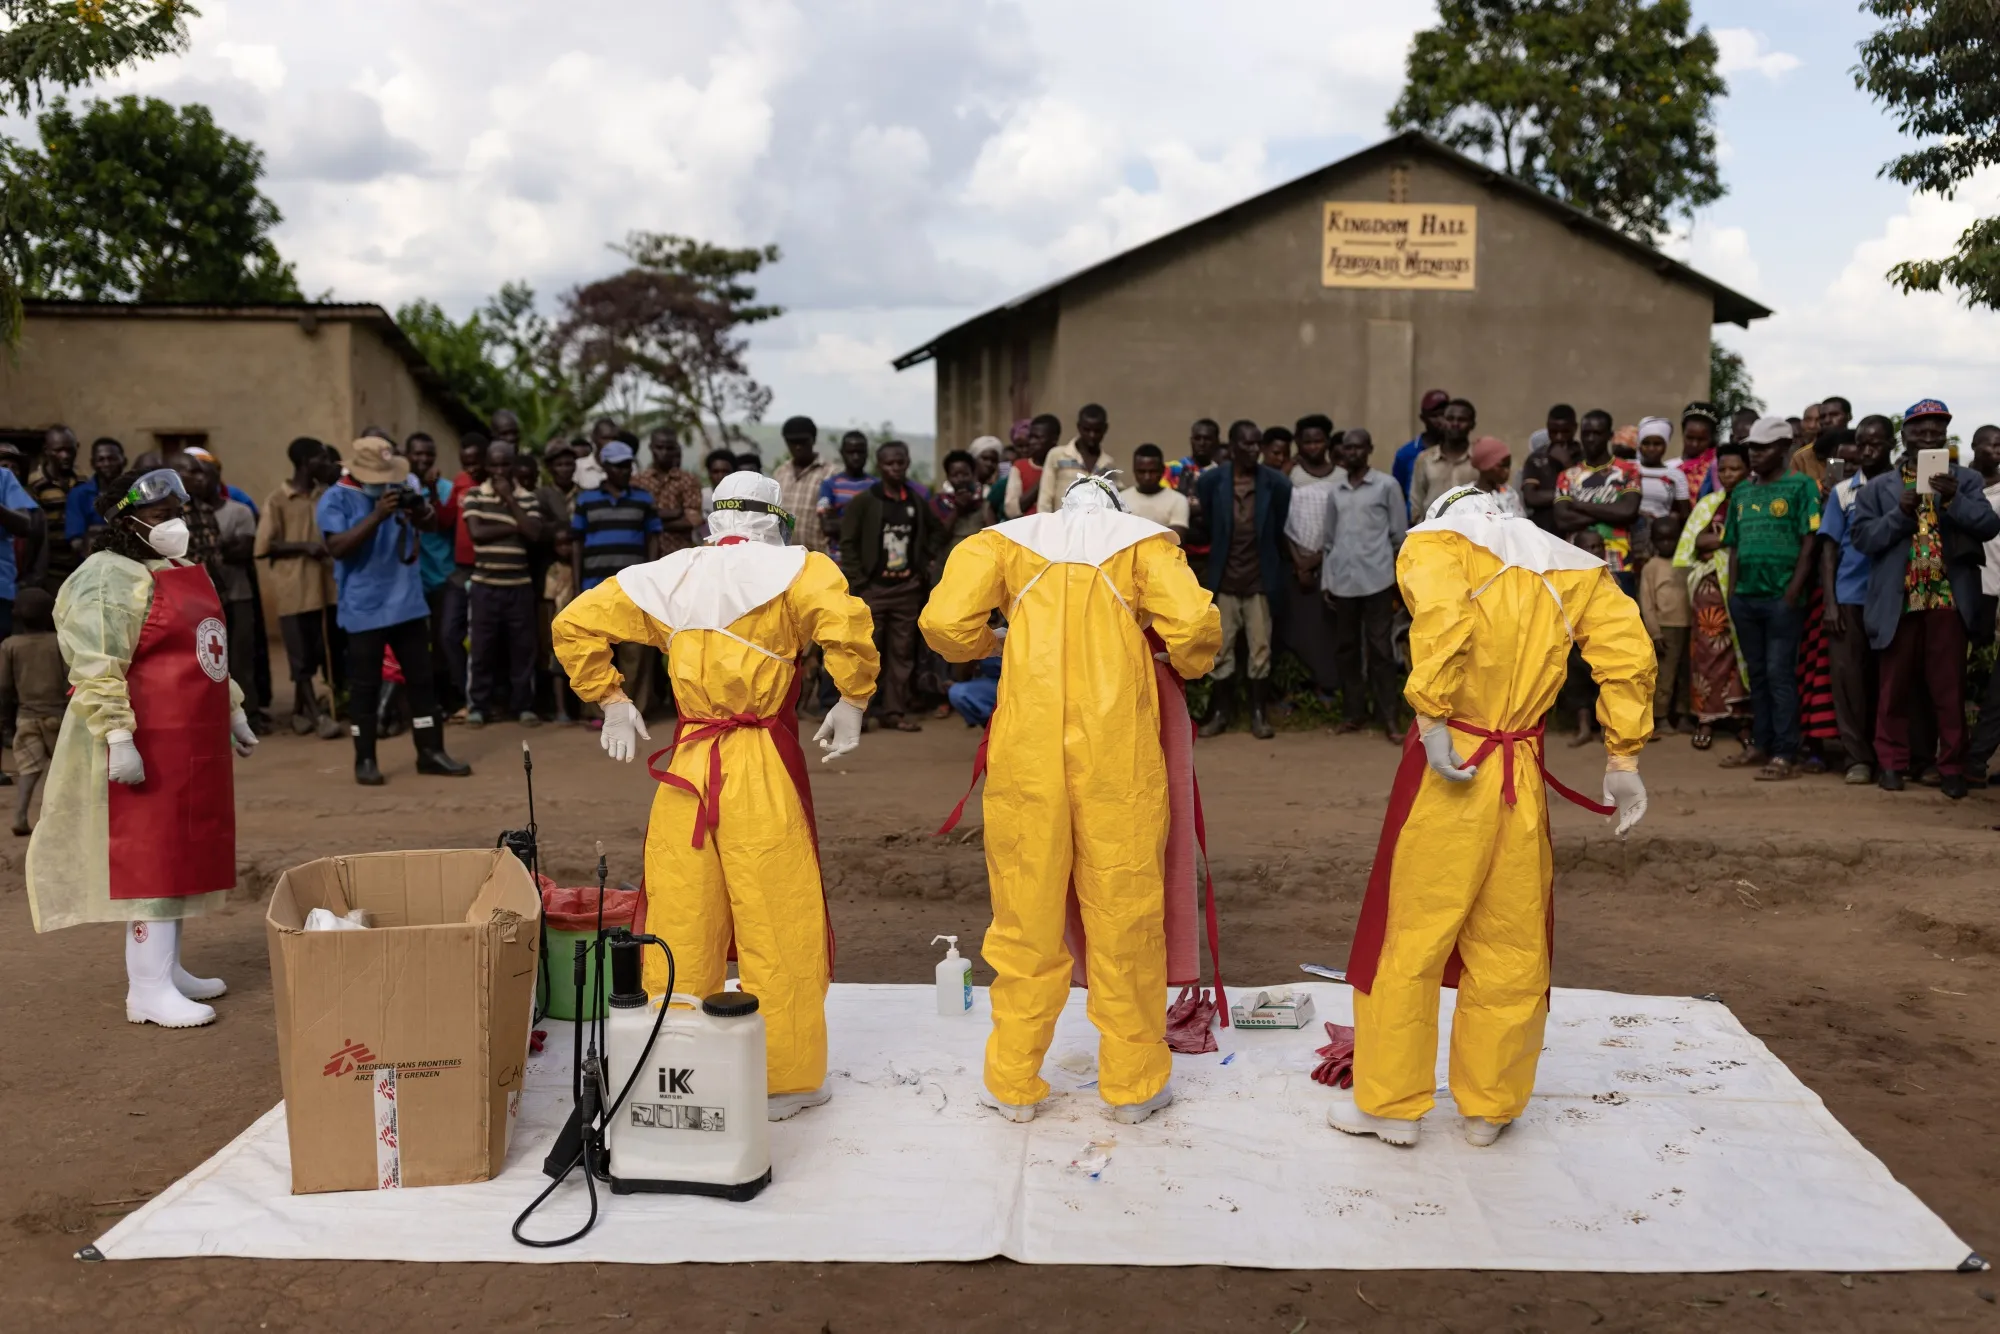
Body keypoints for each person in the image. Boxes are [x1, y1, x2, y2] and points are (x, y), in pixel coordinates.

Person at [1330, 484, 1651, 1149]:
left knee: (1409, 937)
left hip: (1452, 764)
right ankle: (1491, 1106)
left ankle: (1391, 1104)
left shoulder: (1437, 546)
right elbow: (1630, 658)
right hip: (1521, 767)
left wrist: (1433, 713)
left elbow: (1445, 622)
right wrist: (1623, 759)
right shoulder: (1573, 567)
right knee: (1511, 942)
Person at [552, 471, 879, 1120]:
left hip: (690, 763)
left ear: (714, 518)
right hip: (759, 763)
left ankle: (672, 1064)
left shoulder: (668, 575)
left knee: (680, 917)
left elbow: (574, 622)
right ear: (774, 519)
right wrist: (853, 697)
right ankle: (787, 1079)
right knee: (777, 917)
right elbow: (847, 627)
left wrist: (611, 700)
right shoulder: (800, 572)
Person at [920, 474, 1221, 1125]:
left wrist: (991, 643)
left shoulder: (1003, 543)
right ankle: (1134, 1082)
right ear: (1113, 508)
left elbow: (944, 623)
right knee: (1125, 906)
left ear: (1058, 505)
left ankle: (1012, 1078)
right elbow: (1196, 626)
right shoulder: (1143, 543)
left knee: (1025, 912)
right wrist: (1177, 656)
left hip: (1027, 752)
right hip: (1119, 755)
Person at [26, 466, 260, 1028]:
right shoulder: (105, 577)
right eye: (159, 517)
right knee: (149, 858)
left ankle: (169, 966)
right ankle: (147, 987)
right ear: (126, 522)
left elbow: (205, 653)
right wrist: (117, 736)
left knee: (181, 852)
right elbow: (96, 661)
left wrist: (232, 710)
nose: (172, 524)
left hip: (190, 742)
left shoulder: (173, 568)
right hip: (144, 737)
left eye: (175, 513)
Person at [1850, 400, 2000, 799]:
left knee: (1948, 691)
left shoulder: (1965, 480)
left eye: (1937, 431)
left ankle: (1950, 767)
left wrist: (1953, 501)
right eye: (1921, 431)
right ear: (1905, 436)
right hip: (1898, 601)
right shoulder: (1881, 486)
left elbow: (1988, 526)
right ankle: (1892, 765)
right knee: (1894, 689)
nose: (1929, 437)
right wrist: (1900, 514)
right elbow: (1863, 539)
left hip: (1948, 599)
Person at [318, 438, 471, 785]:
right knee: (365, 686)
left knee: (422, 681)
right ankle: (366, 759)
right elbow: (337, 547)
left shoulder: (397, 487)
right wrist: (377, 515)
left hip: (407, 602)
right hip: (364, 606)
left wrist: (419, 509)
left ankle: (430, 752)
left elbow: (431, 527)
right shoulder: (336, 498)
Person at [1719, 417, 1821, 782]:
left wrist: (1793, 591)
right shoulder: (1742, 493)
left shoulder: (1801, 487)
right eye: (1751, 447)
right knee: (1758, 676)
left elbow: (1810, 543)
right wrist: (1732, 594)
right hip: (1745, 598)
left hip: (1782, 599)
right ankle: (1761, 744)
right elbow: (1733, 546)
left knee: (1780, 676)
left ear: (1784, 448)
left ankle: (1785, 752)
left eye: (1762, 448)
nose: (1754, 454)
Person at [1194, 421, 1292, 740]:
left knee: (1260, 648)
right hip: (1224, 578)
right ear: (1232, 446)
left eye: (1257, 444)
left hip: (1259, 579)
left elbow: (1276, 530)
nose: (1254, 450)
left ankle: (1258, 714)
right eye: (1247, 444)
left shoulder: (1276, 484)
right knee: (1221, 649)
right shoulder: (1211, 482)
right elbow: (1211, 526)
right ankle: (1222, 712)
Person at [839, 440, 941, 731]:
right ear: (879, 465)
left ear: (908, 462)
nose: (895, 468)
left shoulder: (915, 501)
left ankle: (894, 712)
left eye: (900, 462)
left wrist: (921, 564)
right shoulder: (864, 502)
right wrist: (860, 581)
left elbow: (936, 531)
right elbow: (848, 543)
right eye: (889, 463)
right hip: (874, 588)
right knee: (867, 653)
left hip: (907, 590)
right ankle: (859, 713)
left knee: (902, 652)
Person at [1818, 416, 1895, 784]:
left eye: (1875, 444)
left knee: (1890, 682)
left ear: (1891, 445)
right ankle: (1857, 758)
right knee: (1849, 682)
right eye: (1861, 444)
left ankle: (1891, 756)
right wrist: (1830, 603)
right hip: (1850, 596)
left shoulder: (1905, 487)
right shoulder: (1843, 491)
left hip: (1894, 597)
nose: (1866, 451)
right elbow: (1829, 550)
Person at [1320, 428, 1407, 739]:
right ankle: (1354, 714)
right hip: (1343, 581)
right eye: (1347, 448)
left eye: (1358, 447)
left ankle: (1389, 719)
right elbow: (1328, 540)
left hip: (1378, 580)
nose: (1352, 452)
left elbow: (1399, 534)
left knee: (1381, 650)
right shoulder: (1336, 491)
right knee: (1346, 650)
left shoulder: (1386, 486)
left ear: (1369, 449)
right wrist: (1326, 581)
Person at [571, 440, 665, 718]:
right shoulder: (586, 500)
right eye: (618, 465)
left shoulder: (643, 499)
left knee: (635, 652)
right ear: (605, 467)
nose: (625, 470)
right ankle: (597, 712)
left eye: (628, 465)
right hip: (595, 588)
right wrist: (578, 586)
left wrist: (650, 579)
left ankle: (633, 709)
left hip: (633, 589)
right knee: (596, 652)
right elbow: (577, 544)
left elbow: (653, 540)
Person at [256, 438, 342, 739]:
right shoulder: (277, 500)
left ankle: (299, 711)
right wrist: (305, 547)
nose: (327, 464)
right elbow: (264, 545)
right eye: (321, 459)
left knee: (319, 650)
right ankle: (318, 717)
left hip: (325, 588)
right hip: (294, 590)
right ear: (306, 462)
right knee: (300, 655)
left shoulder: (324, 496)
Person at [461, 440, 547, 727]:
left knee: (523, 649)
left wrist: (510, 500)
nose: (499, 470)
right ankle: (478, 706)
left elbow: (534, 533)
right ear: (486, 466)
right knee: (482, 649)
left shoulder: (527, 498)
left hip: (519, 585)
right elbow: (477, 533)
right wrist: (513, 525)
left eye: (505, 464)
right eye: (494, 464)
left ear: (513, 465)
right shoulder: (475, 495)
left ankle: (524, 706)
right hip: (485, 585)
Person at [1673, 443, 1752, 753]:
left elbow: (1723, 540)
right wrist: (1727, 539)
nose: (1729, 475)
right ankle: (1705, 718)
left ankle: (1745, 720)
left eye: (1736, 469)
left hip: (1744, 583)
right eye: (1724, 470)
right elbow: (1695, 541)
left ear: (1748, 470)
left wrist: (1717, 540)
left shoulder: (1754, 501)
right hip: (1710, 590)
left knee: (1742, 650)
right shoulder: (1709, 503)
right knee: (1707, 653)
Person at [1, 588, 67, 834]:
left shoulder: (10, 646)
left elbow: (4, 687)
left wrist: (6, 722)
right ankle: (61, 821)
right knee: (64, 771)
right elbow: (68, 679)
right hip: (58, 717)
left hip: (26, 717)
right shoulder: (58, 642)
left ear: (17, 615)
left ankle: (20, 815)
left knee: (28, 769)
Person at [1553, 409, 1642, 590]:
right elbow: (1562, 520)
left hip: (1619, 561)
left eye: (1597, 433)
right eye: (1586, 434)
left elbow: (1628, 511)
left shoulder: (1627, 471)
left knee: (1621, 617)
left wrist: (1579, 505)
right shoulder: (1568, 476)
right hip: (1576, 562)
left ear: (1609, 435)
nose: (1591, 439)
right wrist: (1610, 511)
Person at [205, 460, 264, 723]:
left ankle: (248, 714)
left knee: (241, 657)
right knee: (210, 661)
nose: (196, 480)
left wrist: (214, 549)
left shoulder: (239, 511)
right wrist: (223, 547)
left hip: (239, 593)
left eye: (203, 474)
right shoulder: (185, 516)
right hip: (203, 600)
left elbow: (243, 551)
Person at [1965, 423, 2000, 787]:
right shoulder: (1957, 486)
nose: (1998, 449)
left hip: (1994, 588)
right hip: (1966, 588)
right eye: (1992, 443)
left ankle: (1975, 759)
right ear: (1974, 446)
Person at [1637, 512, 1691, 738]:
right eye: (1662, 539)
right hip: (1665, 627)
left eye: (1672, 539)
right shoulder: (1652, 567)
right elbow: (1646, 603)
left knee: (1686, 674)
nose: (1667, 544)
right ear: (1654, 541)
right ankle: (1660, 717)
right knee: (1664, 676)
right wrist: (1655, 633)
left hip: (1688, 625)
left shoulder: (1687, 563)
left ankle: (1683, 715)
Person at [1407, 398, 1479, 521]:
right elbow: (1416, 503)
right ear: (1443, 422)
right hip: (1432, 534)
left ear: (1472, 424)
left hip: (1470, 535)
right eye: (1450, 419)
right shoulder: (1425, 459)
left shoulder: (1479, 459)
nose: (1455, 424)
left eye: (1461, 420)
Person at [1036, 404, 1117, 514]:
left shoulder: (1107, 464)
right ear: (1079, 427)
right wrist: (1047, 526)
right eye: (1086, 430)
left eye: (1097, 431)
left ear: (1105, 429)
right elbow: (1045, 499)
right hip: (1062, 526)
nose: (1092, 435)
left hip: (1095, 527)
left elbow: (1114, 499)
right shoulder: (1057, 456)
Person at [635, 427, 703, 556]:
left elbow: (692, 521)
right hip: (643, 556)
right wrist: (676, 514)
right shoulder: (638, 481)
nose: (664, 453)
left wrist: (650, 522)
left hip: (679, 554)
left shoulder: (688, 481)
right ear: (651, 447)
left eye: (669, 448)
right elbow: (634, 518)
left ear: (676, 449)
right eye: (659, 448)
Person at [28, 426, 81, 590]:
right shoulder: (34, 485)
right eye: (58, 450)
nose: (65, 456)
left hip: (81, 570)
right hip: (51, 572)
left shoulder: (83, 481)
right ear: (46, 450)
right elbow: (33, 533)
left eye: (70, 450)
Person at [774, 416, 836, 553]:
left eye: (803, 442)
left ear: (813, 440)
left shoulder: (830, 473)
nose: (798, 447)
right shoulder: (780, 473)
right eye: (793, 442)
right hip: (783, 556)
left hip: (817, 557)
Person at [814, 431, 876, 562]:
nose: (856, 457)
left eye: (860, 452)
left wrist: (842, 521)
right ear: (842, 453)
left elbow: (881, 526)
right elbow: (827, 527)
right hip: (839, 561)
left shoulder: (877, 486)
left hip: (871, 562)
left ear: (867, 453)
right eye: (851, 452)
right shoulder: (830, 485)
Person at [63, 437, 127, 557]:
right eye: (101, 459)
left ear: (124, 461)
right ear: (92, 463)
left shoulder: (134, 494)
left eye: (112, 459)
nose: (106, 464)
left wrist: (97, 532)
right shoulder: (78, 495)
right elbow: (76, 541)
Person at [1519, 404, 1578, 533]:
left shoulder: (1584, 457)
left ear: (1574, 428)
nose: (1559, 437)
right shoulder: (1536, 459)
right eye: (1554, 432)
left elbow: (1587, 492)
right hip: (1544, 531)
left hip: (1575, 530)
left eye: (1565, 432)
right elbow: (1531, 497)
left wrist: (1567, 464)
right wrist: (1568, 495)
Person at [1392, 389, 1451, 509]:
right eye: (1434, 416)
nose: (1441, 421)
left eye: (1444, 415)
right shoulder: (1406, 454)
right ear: (1423, 418)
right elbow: (1398, 496)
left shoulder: (1457, 452)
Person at [1636, 417, 1692, 538]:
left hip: (1662, 536)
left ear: (1665, 445)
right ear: (1639, 445)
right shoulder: (1629, 469)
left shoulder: (1676, 475)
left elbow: (1684, 514)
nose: (1651, 448)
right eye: (1646, 443)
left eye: (1657, 444)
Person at [1120, 443, 1191, 539]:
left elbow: (1175, 541)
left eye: (1152, 471)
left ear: (1162, 470)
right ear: (1134, 470)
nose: (1147, 477)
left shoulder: (1178, 500)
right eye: (1141, 471)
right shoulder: (1121, 500)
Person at [938, 448, 996, 560]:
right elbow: (939, 537)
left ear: (973, 475)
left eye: (965, 474)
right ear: (948, 477)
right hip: (948, 565)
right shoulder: (939, 503)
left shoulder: (984, 505)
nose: (961, 479)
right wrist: (957, 510)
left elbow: (994, 538)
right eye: (955, 475)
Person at [1004, 415, 1060, 519]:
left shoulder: (1062, 466)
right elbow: (1012, 510)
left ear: (1054, 440)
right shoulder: (1020, 467)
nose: (1032, 442)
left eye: (1038, 438)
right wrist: (1044, 479)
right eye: (1031, 437)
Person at [1792, 397, 1852, 491]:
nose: (1827, 420)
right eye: (1823, 417)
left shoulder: (1862, 451)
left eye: (1834, 415)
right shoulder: (1803, 457)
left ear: (1849, 417)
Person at [1677, 402, 1723, 500]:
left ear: (1712, 437)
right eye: (1690, 438)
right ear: (1682, 432)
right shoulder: (1671, 467)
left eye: (1701, 439)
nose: (1695, 444)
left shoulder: (1719, 468)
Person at [1469, 436, 1524, 517]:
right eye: (1502, 466)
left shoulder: (1509, 493)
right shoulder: (1468, 498)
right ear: (1485, 466)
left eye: (1508, 466)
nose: (1507, 471)